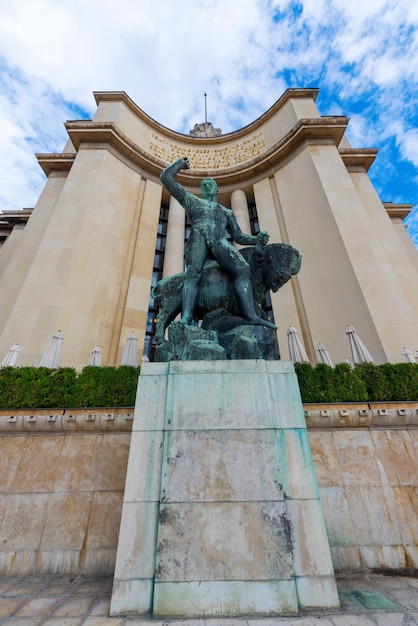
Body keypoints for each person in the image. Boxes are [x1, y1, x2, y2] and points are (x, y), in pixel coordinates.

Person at [160, 157, 277, 330]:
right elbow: (166, 178)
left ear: (215, 190)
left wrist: (256, 239)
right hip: (198, 238)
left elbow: (238, 237)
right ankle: (186, 317)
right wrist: (180, 164)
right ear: (202, 190)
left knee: (243, 269)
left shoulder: (226, 211)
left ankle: (250, 315)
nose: (207, 185)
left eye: (210, 184)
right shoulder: (194, 201)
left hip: (219, 242)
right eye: (204, 184)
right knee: (193, 275)